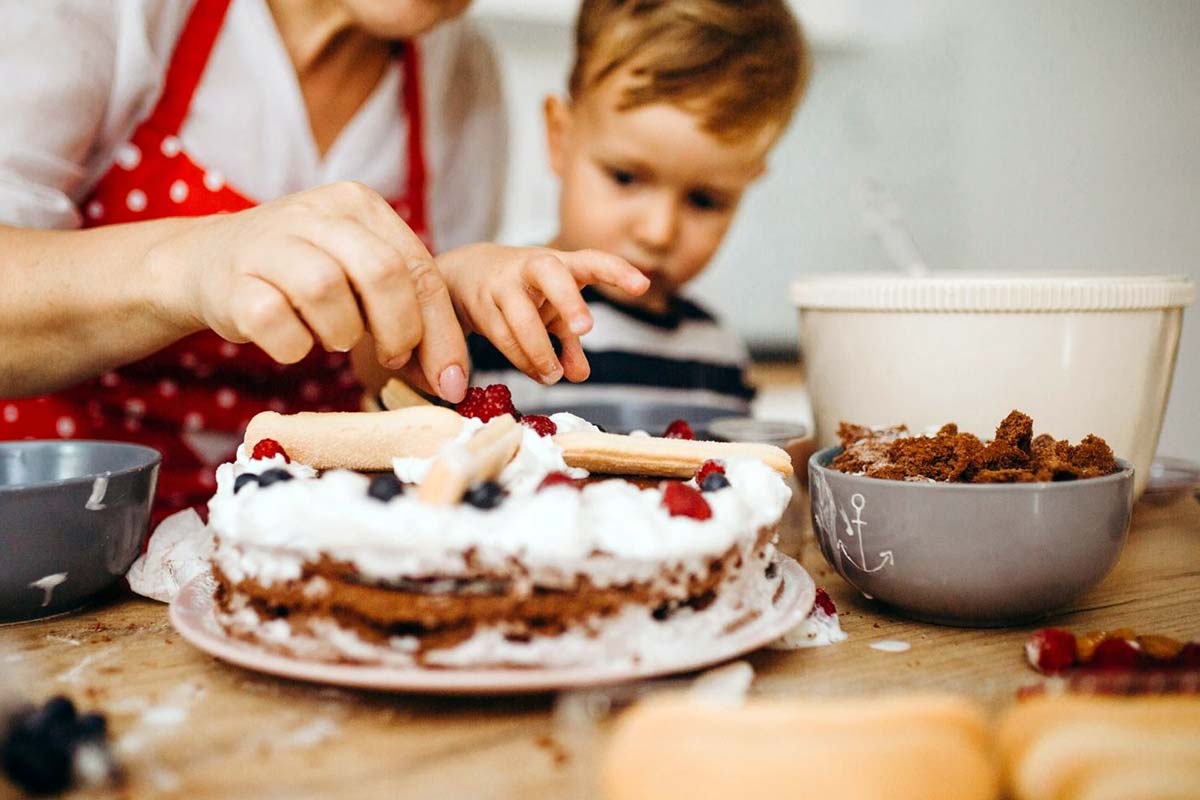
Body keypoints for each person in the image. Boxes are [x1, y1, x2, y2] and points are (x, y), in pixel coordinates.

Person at [0, 0, 646, 520]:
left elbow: (380, 380)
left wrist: (436, 300)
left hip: (304, 545)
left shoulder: (463, 71)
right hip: (63, 526)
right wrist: (194, 262)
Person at [469, 0, 810, 419]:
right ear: (561, 138)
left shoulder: (719, 356)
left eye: (704, 200)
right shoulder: (495, 313)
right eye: (626, 177)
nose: (658, 232)